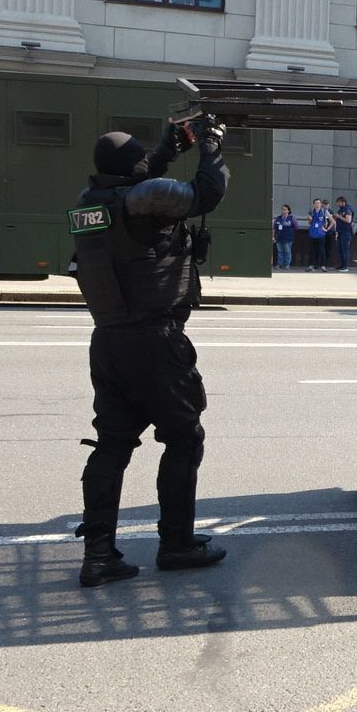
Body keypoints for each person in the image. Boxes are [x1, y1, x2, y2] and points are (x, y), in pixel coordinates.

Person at [68, 117, 230, 587]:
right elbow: (206, 193)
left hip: (109, 341)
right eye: (140, 155)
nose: (146, 160)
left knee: (112, 446)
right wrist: (212, 145)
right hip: (155, 341)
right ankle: (176, 543)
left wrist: (165, 148)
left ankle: (98, 555)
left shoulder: (90, 203)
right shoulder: (141, 201)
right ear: (128, 164)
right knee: (184, 437)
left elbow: (137, 185)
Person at [305, 198, 333, 271]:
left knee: (322, 250)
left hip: (321, 234)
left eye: (318, 203)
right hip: (312, 233)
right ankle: (312, 265)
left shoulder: (324, 211)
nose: (317, 204)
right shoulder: (311, 212)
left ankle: (323, 266)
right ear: (313, 204)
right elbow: (310, 223)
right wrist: (309, 220)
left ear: (321, 204)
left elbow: (333, 222)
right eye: (316, 203)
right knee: (312, 250)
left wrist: (326, 229)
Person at [333, 196, 356, 272]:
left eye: (338, 202)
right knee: (340, 249)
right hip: (340, 231)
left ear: (343, 202)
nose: (337, 204)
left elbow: (348, 220)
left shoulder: (347, 209)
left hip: (346, 232)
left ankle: (345, 266)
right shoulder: (341, 209)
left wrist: (338, 216)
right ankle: (342, 265)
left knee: (345, 249)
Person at [272, 204, 295, 270]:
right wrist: (273, 237)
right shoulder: (278, 218)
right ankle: (279, 264)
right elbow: (274, 228)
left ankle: (287, 264)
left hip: (288, 238)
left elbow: (296, 227)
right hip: (279, 237)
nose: (283, 211)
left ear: (288, 211)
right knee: (280, 251)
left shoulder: (292, 218)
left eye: (285, 209)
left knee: (287, 251)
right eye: (282, 209)